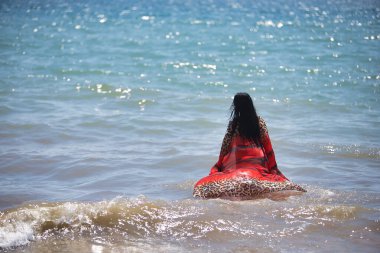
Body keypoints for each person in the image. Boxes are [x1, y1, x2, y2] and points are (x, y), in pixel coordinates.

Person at [209, 92, 289, 183]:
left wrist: (218, 165)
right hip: (258, 163)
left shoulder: (234, 124)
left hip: (239, 163)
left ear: (235, 106)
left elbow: (225, 146)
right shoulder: (259, 122)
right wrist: (273, 168)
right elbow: (268, 147)